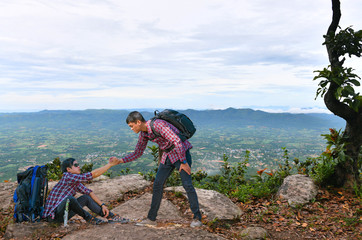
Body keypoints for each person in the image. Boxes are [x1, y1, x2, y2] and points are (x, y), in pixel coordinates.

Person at [110, 111, 203, 227]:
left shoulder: (158, 125)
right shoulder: (144, 134)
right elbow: (138, 152)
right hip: (168, 155)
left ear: (138, 122)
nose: (131, 129)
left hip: (180, 153)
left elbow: (177, 141)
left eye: (131, 126)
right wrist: (120, 160)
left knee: (187, 184)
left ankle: (197, 218)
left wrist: (184, 162)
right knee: (157, 184)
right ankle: (151, 218)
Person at [42, 158, 128, 225]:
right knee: (70, 199)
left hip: (62, 214)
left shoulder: (74, 181)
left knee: (86, 198)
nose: (78, 166)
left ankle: (110, 217)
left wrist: (103, 205)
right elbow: (92, 175)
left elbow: (89, 192)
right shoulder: (68, 177)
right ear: (68, 169)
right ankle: (89, 218)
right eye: (75, 165)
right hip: (53, 217)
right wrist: (109, 164)